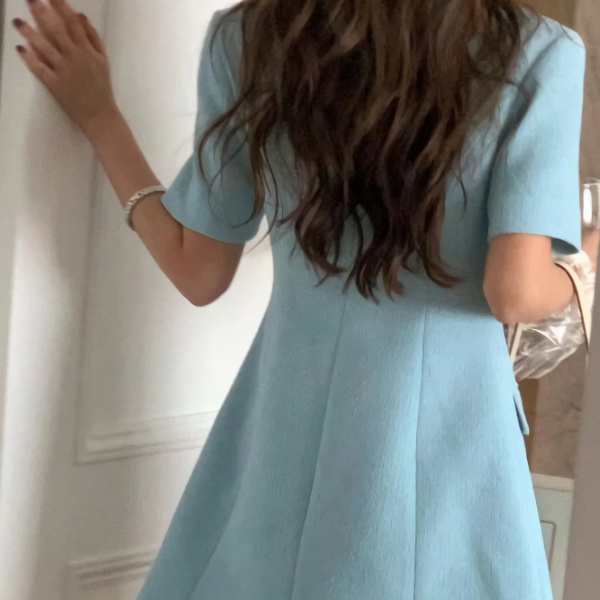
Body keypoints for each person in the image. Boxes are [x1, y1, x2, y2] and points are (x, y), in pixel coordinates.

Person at [13, 0, 589, 598]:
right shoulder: (536, 52)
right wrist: (586, 258)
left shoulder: (252, 35)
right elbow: (516, 291)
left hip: (281, 433)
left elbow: (198, 271)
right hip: (448, 453)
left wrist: (102, 119)